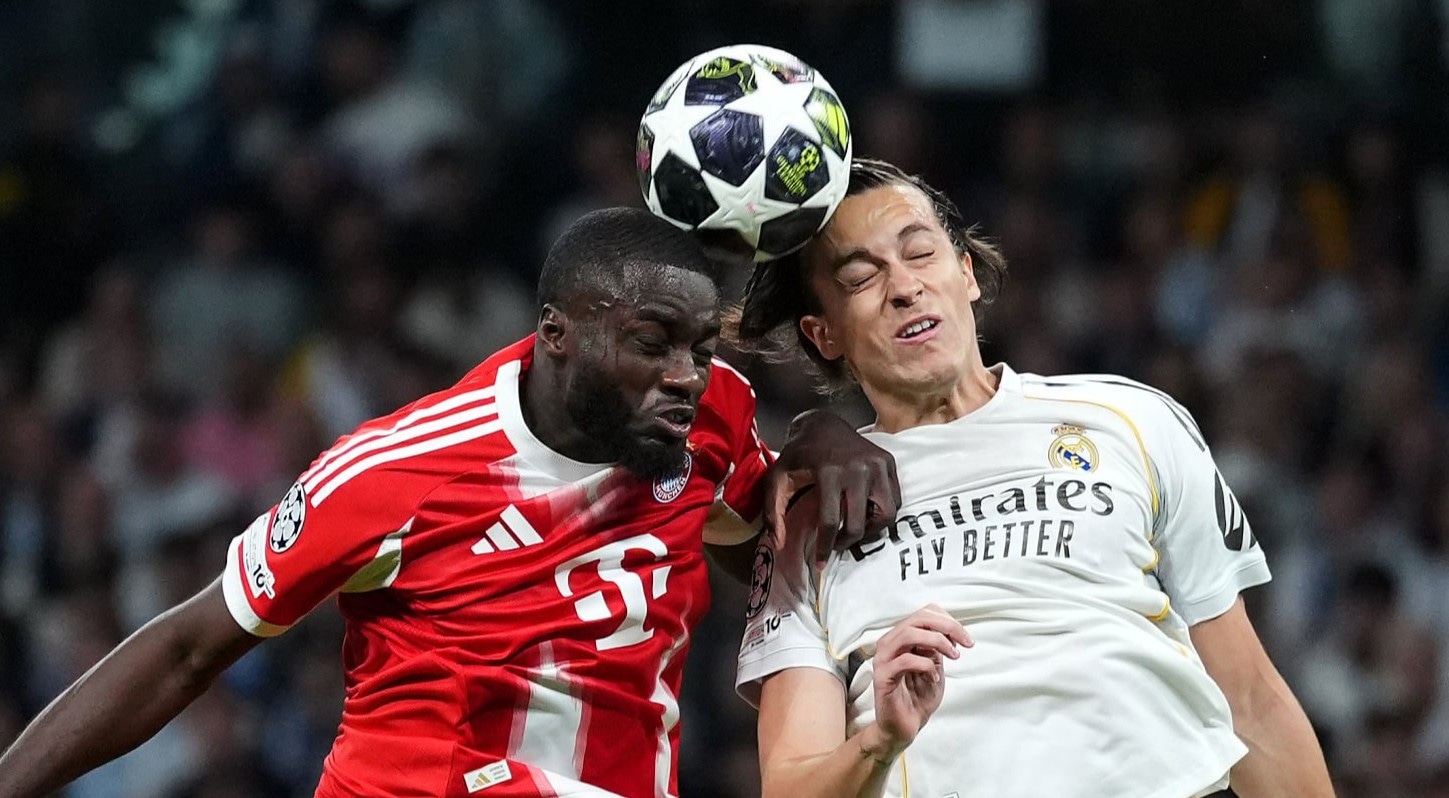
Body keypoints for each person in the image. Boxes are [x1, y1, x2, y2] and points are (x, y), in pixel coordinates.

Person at [0, 207, 898, 798]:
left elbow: (756, 552)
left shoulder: (711, 417)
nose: (683, 377)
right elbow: (188, 645)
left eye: (701, 349)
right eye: (652, 344)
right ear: (556, 334)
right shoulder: (393, 474)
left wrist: (813, 442)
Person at [730, 159, 1334, 798]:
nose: (904, 287)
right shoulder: (806, 512)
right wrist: (876, 742)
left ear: (965, 273)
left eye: (921, 254)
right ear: (823, 335)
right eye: (860, 278)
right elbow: (790, 787)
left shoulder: (1133, 419)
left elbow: (1252, 703)